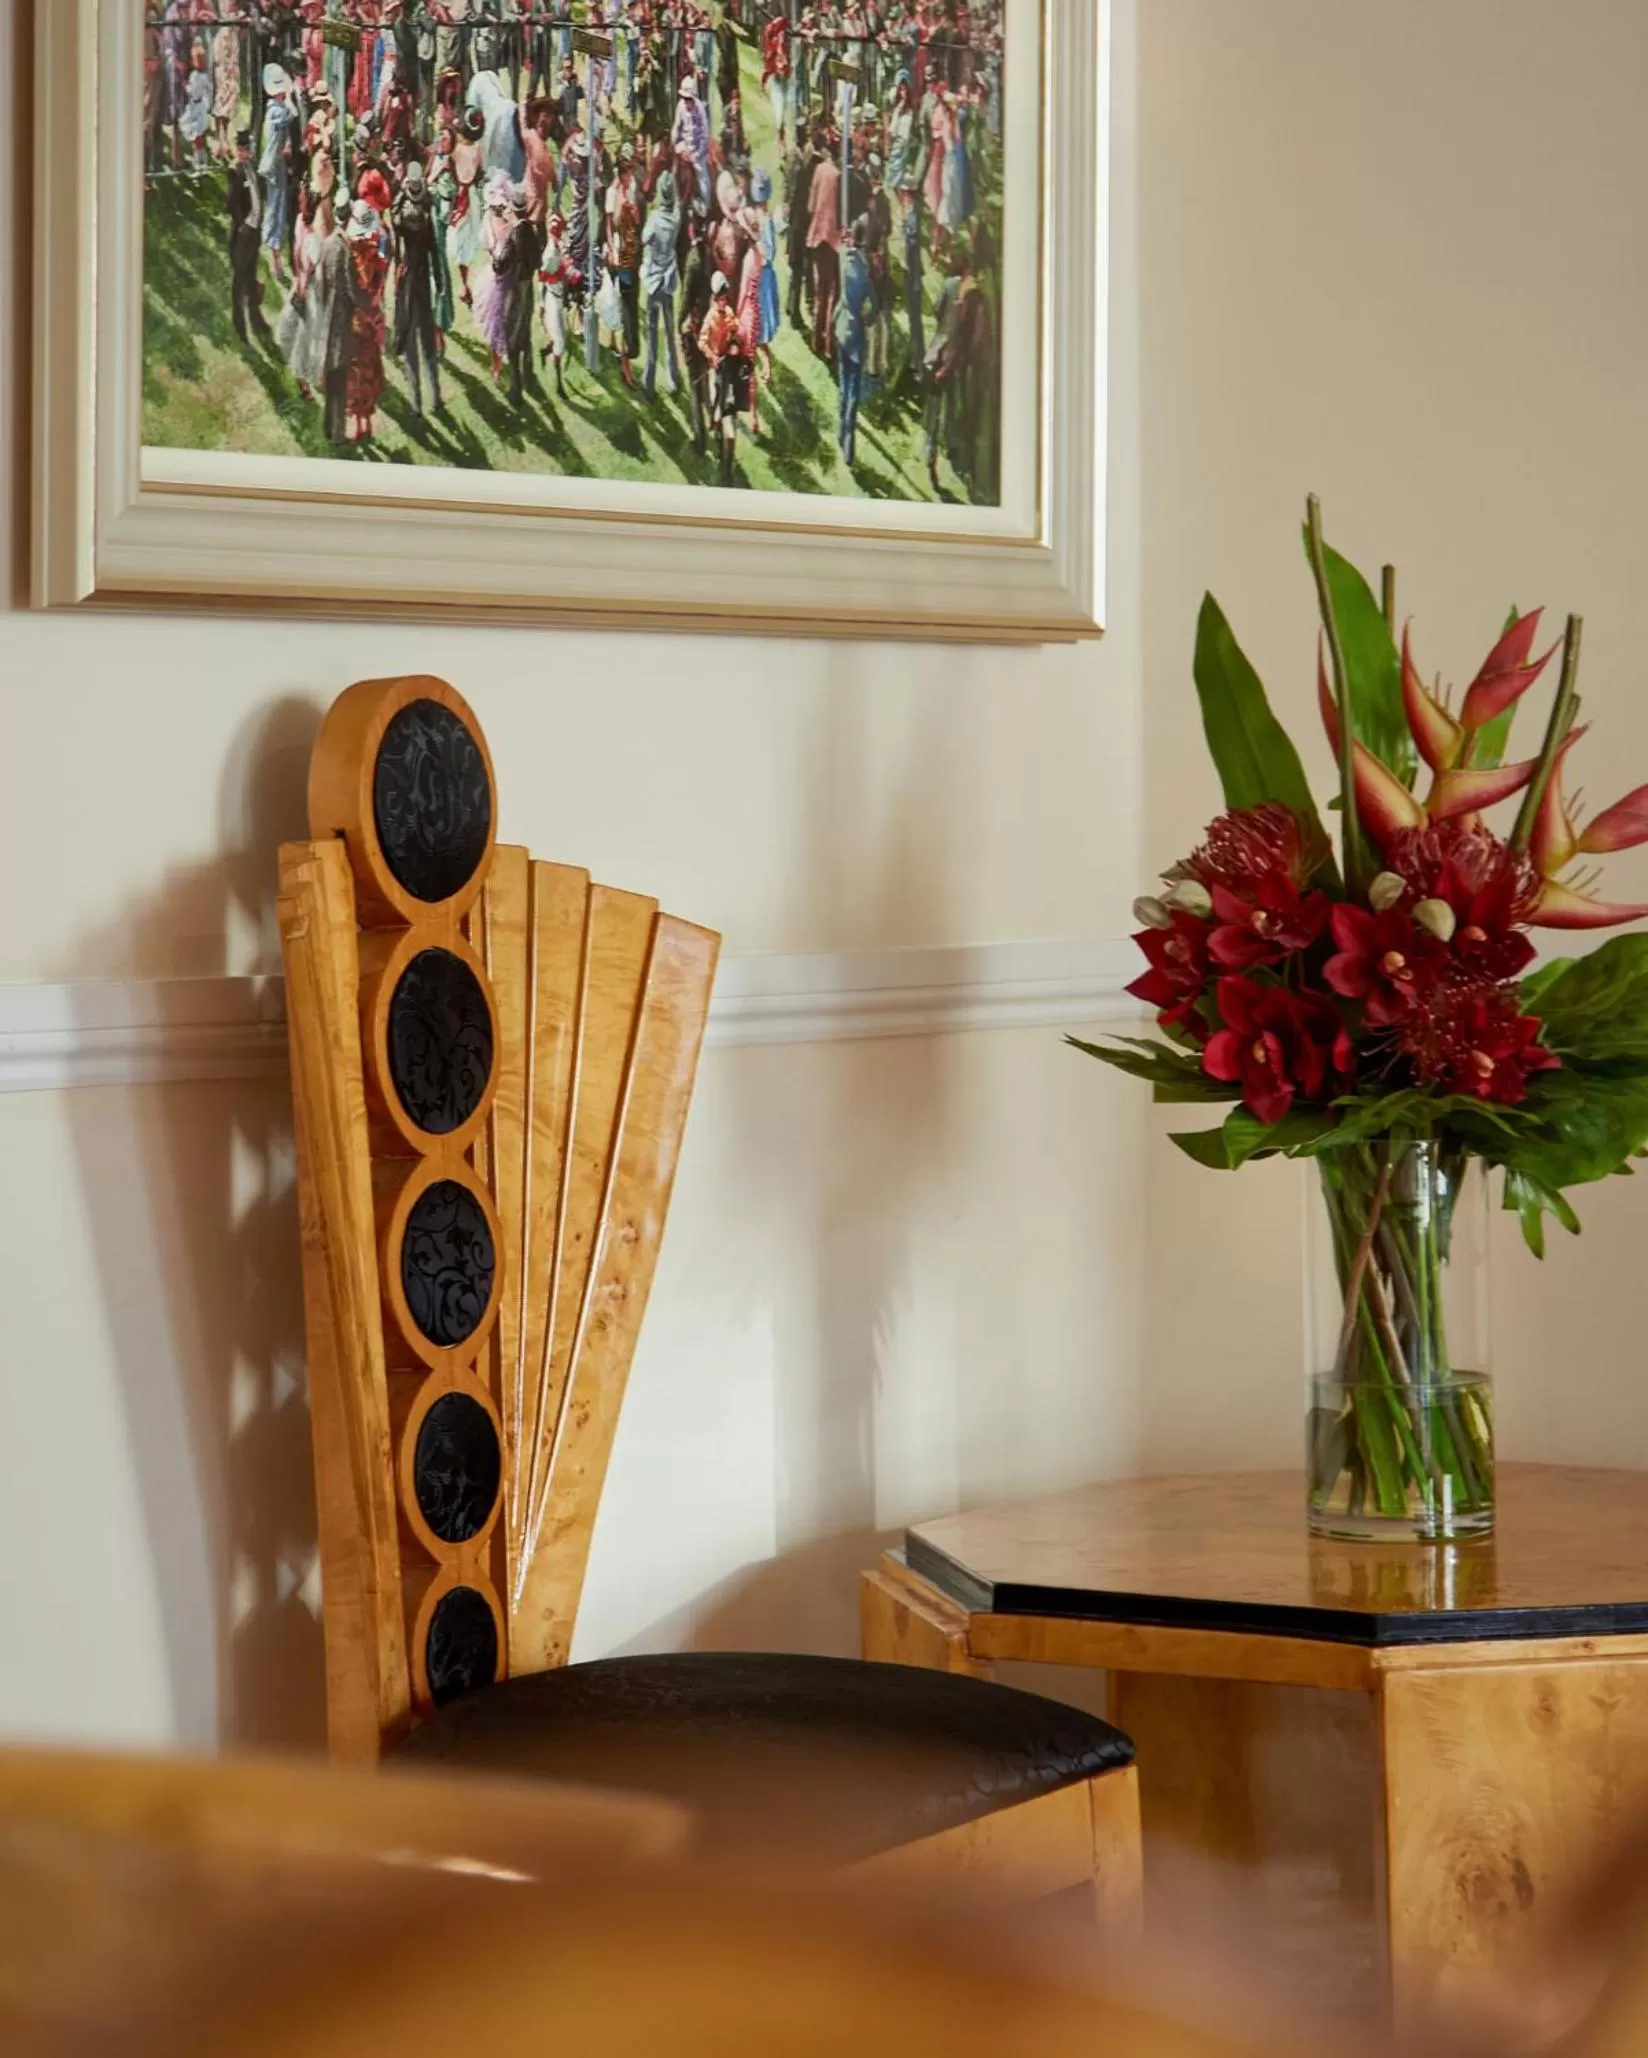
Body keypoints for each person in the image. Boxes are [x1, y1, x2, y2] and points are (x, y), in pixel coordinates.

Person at [391, 160, 444, 415]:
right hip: (421, 283)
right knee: (427, 343)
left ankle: (416, 402)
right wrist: (442, 282)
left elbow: (394, 217)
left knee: (411, 341)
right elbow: (435, 253)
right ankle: (436, 397)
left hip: (407, 283)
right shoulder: (426, 220)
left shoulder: (400, 220)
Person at [493, 183, 546, 403]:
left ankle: (516, 388)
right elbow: (539, 259)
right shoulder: (533, 230)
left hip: (514, 289)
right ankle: (528, 372)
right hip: (529, 285)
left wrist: (498, 249)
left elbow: (499, 265)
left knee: (511, 335)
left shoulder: (514, 235)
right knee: (524, 331)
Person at [694, 269, 746, 484]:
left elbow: (736, 331)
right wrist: (712, 356)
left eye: (725, 299)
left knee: (728, 402)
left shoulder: (730, 313)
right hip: (716, 366)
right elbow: (701, 342)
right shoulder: (709, 318)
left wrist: (734, 344)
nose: (723, 303)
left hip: (729, 367)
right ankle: (715, 426)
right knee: (716, 404)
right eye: (719, 299)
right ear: (714, 299)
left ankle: (727, 459)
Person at [834, 213, 875, 466]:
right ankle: (848, 442)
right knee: (853, 390)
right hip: (857, 332)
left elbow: (842, 246)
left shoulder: (842, 259)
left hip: (841, 327)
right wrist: (867, 319)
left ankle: (842, 433)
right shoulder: (864, 269)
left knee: (842, 380)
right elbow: (875, 303)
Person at [603, 140, 644, 387]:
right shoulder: (612, 192)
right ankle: (626, 365)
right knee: (624, 308)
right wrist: (611, 247)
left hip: (632, 250)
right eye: (626, 170)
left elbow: (638, 220)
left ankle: (621, 345)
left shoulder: (632, 188)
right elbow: (609, 224)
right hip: (620, 253)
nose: (629, 175)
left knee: (629, 300)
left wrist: (633, 210)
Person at [226, 127, 270, 342]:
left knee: (250, 278)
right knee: (240, 280)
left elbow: (257, 194)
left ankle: (256, 320)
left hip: (253, 231)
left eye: (246, 149)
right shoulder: (234, 172)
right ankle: (239, 324)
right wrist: (243, 225)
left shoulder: (251, 168)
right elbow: (232, 204)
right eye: (240, 149)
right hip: (241, 235)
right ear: (236, 150)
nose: (244, 153)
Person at [640, 168, 681, 399]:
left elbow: (644, 238)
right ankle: (674, 378)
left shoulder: (654, 218)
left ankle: (649, 382)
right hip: (668, 279)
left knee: (652, 333)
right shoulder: (676, 217)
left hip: (654, 279)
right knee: (669, 331)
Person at [258, 63, 298, 282]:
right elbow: (292, 114)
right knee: (276, 208)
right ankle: (275, 260)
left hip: (277, 164)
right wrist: (290, 98)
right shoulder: (277, 110)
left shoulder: (274, 108)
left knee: (277, 206)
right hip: (274, 166)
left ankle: (275, 253)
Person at [678, 211, 713, 454]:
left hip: (695, 326)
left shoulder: (692, 260)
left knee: (694, 383)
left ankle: (699, 438)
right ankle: (716, 426)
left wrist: (679, 322)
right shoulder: (709, 255)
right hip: (709, 322)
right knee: (706, 379)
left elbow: (685, 298)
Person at [805, 132, 841, 360]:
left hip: (817, 236)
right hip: (833, 239)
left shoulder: (820, 170)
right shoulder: (839, 175)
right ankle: (829, 345)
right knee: (832, 294)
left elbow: (810, 205)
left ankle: (816, 340)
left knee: (820, 293)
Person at [537, 208, 573, 393]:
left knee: (561, 336)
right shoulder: (551, 252)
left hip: (560, 296)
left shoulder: (560, 244)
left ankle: (548, 352)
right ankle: (558, 380)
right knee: (560, 341)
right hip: (553, 298)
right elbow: (543, 278)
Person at [670, 73, 710, 215]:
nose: (686, 102)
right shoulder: (680, 107)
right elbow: (676, 126)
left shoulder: (700, 110)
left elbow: (705, 136)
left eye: (689, 99)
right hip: (685, 144)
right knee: (673, 169)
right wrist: (675, 142)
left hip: (698, 149)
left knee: (702, 174)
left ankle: (705, 203)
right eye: (684, 98)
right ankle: (672, 196)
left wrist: (695, 155)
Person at [761, 10, 791, 150]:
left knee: (783, 109)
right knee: (779, 110)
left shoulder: (782, 42)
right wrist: (765, 78)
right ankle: (780, 138)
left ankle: (781, 137)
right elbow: (770, 63)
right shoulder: (774, 43)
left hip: (783, 79)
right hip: (778, 80)